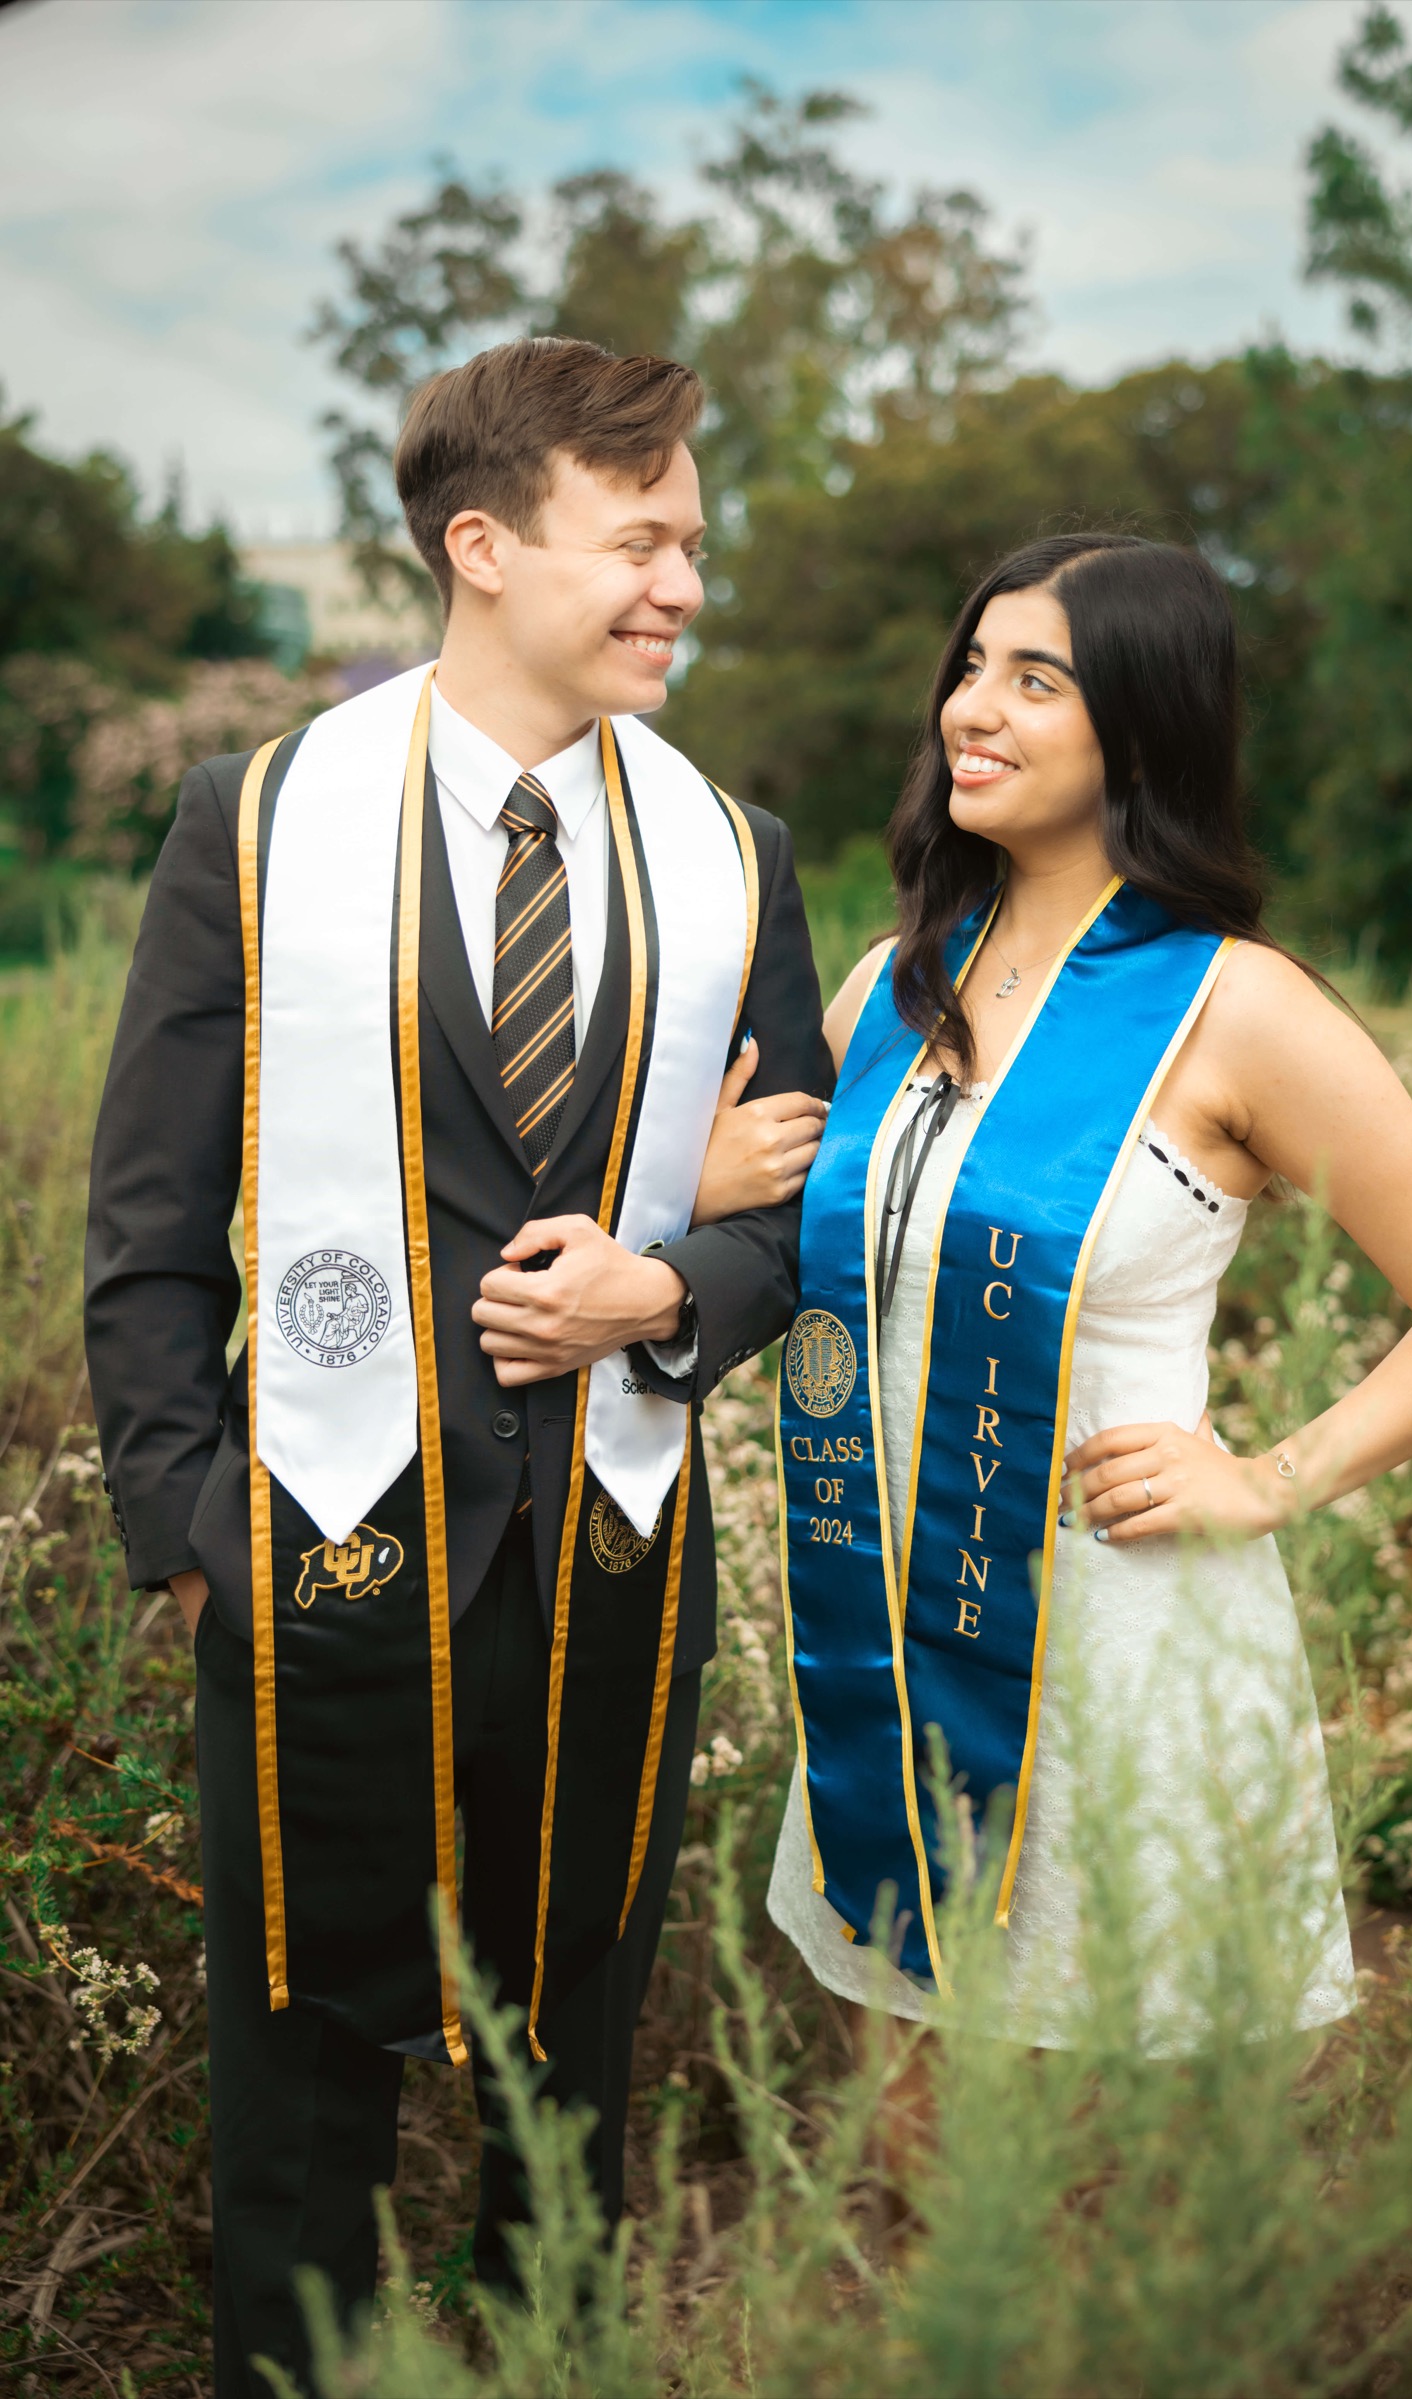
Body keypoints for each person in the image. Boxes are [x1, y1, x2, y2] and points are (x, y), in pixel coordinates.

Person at [83, 337, 831, 2397]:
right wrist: (186, 1525)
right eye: (643, 537)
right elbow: (146, 1224)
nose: (685, 581)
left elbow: (795, 1221)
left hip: (609, 1558)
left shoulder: (734, 855)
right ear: (482, 544)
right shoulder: (251, 826)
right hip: (318, 1545)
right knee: (299, 2080)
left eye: (693, 539)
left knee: (566, 2083)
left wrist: (661, 1291)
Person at [720, 532, 1412, 2057]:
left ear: (1141, 727)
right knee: (911, 2142)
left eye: (1036, 679)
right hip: (893, 1660)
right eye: (972, 666)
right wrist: (710, 1188)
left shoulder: (1241, 1008)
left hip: (1120, 1653)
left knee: (1116, 2188)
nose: (974, 706)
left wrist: (1269, 1477)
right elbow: (794, 1257)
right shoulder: (895, 984)